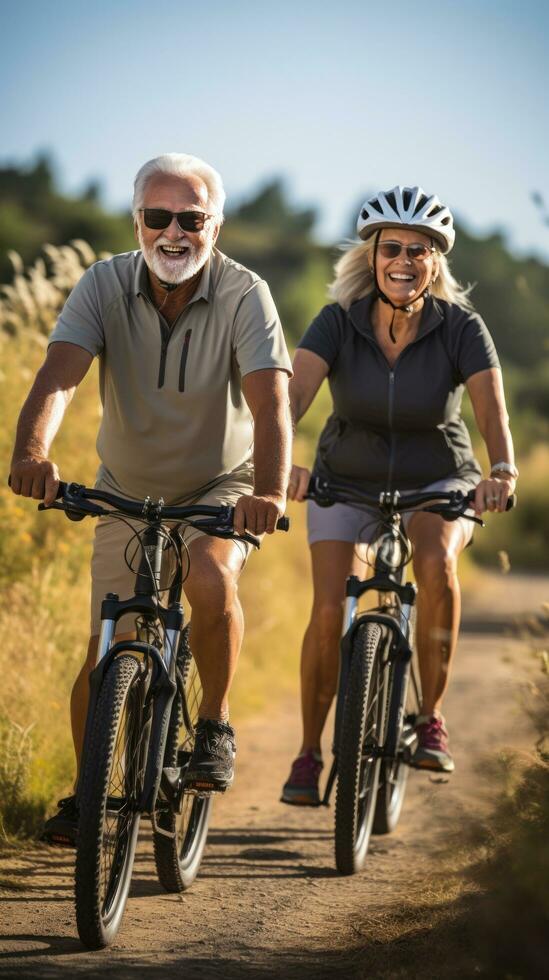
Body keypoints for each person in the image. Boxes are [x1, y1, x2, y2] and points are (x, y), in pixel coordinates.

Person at [9, 152, 292, 843]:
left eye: (190, 218)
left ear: (214, 226)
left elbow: (271, 403)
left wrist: (269, 491)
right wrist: (32, 454)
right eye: (157, 216)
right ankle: (87, 794)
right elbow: (58, 378)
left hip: (222, 485)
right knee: (106, 650)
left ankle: (214, 725)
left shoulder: (244, 293)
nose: (174, 232)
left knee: (208, 575)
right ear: (137, 221)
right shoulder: (103, 284)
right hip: (124, 488)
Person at [281, 185, 517, 805]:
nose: (405, 260)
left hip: (439, 478)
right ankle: (308, 752)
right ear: (372, 255)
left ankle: (429, 716)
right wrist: (284, 466)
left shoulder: (461, 327)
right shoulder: (336, 321)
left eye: (420, 249)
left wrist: (503, 472)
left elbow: (492, 411)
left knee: (437, 563)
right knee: (330, 609)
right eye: (393, 248)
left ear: (436, 261)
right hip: (346, 477)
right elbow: (292, 402)